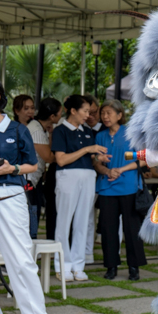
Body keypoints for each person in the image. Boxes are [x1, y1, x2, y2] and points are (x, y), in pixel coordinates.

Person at [0, 77, 54, 314]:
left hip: (11, 195)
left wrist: (11, 169)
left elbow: (30, 164)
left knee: (21, 261)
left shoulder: (17, 130)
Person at [51, 95, 108, 282]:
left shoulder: (87, 131)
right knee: (64, 221)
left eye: (90, 111)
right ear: (73, 111)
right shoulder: (60, 131)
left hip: (88, 176)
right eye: (84, 111)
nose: (88, 115)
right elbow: (61, 159)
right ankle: (62, 265)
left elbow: (90, 158)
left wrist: (98, 158)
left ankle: (78, 265)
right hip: (68, 176)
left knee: (83, 221)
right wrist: (86, 150)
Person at [92, 100, 147, 281]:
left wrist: (120, 170)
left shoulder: (131, 134)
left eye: (109, 113)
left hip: (129, 186)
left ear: (119, 115)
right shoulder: (100, 136)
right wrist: (106, 169)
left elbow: (143, 160)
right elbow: (96, 163)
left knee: (132, 229)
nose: (105, 117)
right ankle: (111, 266)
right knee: (108, 230)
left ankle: (134, 267)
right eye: (103, 113)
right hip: (107, 187)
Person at [26, 98, 63, 239]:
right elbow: (49, 157)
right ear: (52, 117)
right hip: (28, 179)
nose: (62, 116)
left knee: (34, 210)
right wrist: (65, 155)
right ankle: (31, 244)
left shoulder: (41, 128)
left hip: (34, 178)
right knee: (32, 212)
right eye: (60, 113)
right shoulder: (35, 130)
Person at [82, 95, 103, 264]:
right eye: (87, 112)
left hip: (106, 178)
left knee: (111, 217)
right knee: (86, 216)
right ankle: (86, 252)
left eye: (94, 112)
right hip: (87, 177)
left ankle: (112, 252)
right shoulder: (79, 129)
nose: (90, 116)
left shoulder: (106, 129)